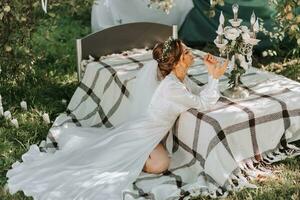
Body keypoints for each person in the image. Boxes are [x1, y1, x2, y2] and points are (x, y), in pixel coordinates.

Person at [6, 38, 228, 200]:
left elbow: (197, 94)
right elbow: (203, 103)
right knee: (155, 165)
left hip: (146, 133)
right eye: (187, 52)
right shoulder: (171, 87)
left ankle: (138, 154)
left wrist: (211, 75)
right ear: (179, 61)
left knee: (156, 162)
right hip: (141, 136)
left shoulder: (177, 78)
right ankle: (133, 155)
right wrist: (214, 78)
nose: (192, 54)